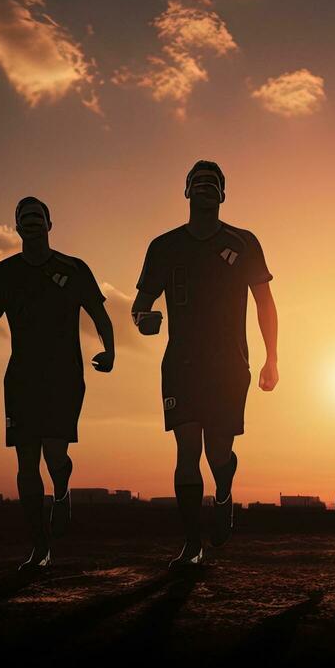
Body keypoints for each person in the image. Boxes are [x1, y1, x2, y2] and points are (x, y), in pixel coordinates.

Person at [132, 161, 280, 569]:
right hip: (180, 364)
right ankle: (192, 544)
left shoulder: (244, 242)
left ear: (222, 194)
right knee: (186, 451)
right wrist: (143, 320)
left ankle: (224, 493)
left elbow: (265, 303)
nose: (204, 188)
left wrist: (272, 357)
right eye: (197, 183)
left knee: (218, 452)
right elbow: (140, 305)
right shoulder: (163, 247)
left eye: (212, 184)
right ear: (186, 192)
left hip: (230, 365)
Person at [0, 196, 114, 572]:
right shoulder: (2, 273)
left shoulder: (74, 268)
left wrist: (110, 351)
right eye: (24, 217)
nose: (31, 222)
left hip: (64, 376)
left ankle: (62, 489)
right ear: (16, 227)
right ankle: (40, 547)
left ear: (50, 224)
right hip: (21, 379)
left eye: (37, 216)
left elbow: (99, 312)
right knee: (26, 462)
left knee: (54, 454)